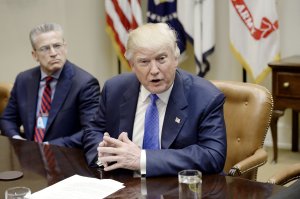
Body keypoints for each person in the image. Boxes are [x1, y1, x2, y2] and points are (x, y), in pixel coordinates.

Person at [83, 22, 226, 177]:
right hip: (125, 185)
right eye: (144, 62)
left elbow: (213, 155)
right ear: (132, 65)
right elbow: (94, 130)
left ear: (175, 59)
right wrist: (104, 154)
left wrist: (143, 159)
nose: (154, 70)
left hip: (178, 187)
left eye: (161, 59)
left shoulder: (206, 97)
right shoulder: (114, 88)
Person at [0, 23, 100, 147]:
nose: (53, 53)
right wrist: (18, 141)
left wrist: (47, 146)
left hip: (66, 157)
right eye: (45, 48)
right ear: (34, 55)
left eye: (57, 46)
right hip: (29, 157)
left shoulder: (85, 83)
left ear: (65, 47)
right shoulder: (24, 80)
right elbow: (7, 120)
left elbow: (91, 131)